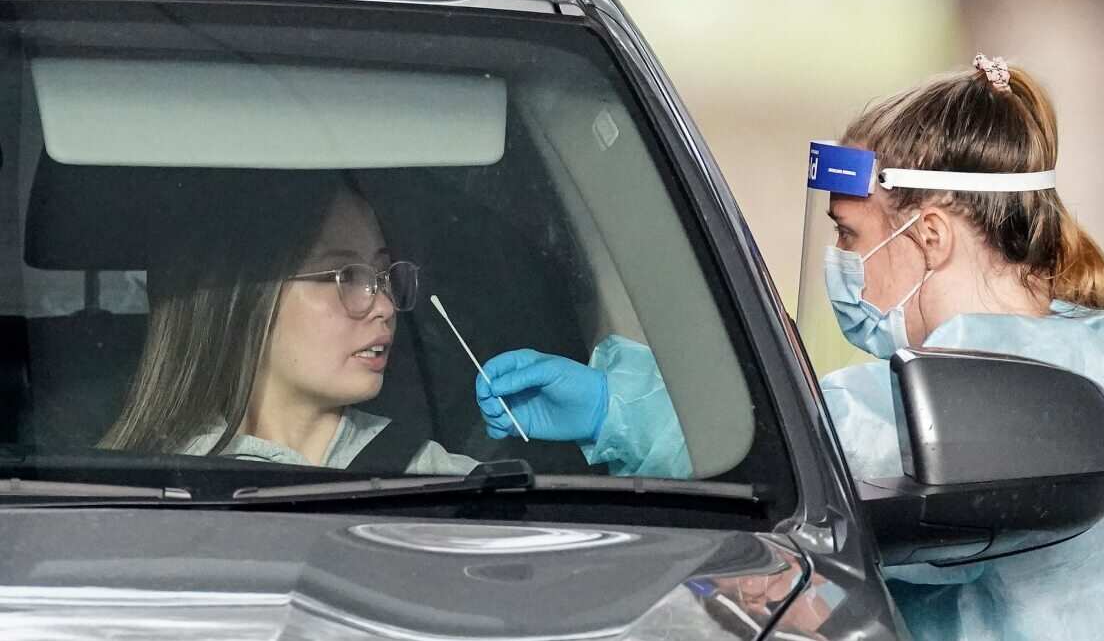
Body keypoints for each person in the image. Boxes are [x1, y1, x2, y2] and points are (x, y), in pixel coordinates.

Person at [485, 54, 1104, 641]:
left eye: (852, 236)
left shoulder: (965, 389)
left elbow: (788, 453)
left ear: (931, 237)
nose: (841, 265)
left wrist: (613, 407)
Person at [99, 170, 685, 476]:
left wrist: (625, 416)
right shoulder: (126, 497)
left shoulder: (445, 485)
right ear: (242, 300)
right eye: (342, 276)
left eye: (382, 275)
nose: (382, 305)